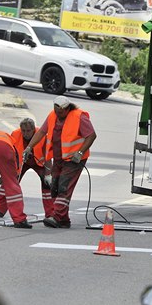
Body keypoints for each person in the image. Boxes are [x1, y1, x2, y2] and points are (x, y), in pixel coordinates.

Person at [24, 95, 97, 228]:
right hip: (58, 159)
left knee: (64, 186)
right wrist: (29, 147)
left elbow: (91, 135)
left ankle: (57, 216)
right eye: (56, 111)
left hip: (74, 160)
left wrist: (80, 152)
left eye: (61, 112)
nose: (58, 114)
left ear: (67, 108)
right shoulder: (52, 116)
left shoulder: (79, 117)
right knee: (55, 187)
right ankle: (63, 220)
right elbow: (41, 132)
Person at [0, 118, 54, 219]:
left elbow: (48, 157)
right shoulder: (15, 134)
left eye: (28, 131)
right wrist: (2, 178)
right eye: (23, 130)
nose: (25, 133)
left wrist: (48, 175)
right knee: (9, 183)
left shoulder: (41, 136)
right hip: (20, 163)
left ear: (33, 129)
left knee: (48, 185)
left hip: (39, 163)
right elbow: (9, 155)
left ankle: (51, 214)